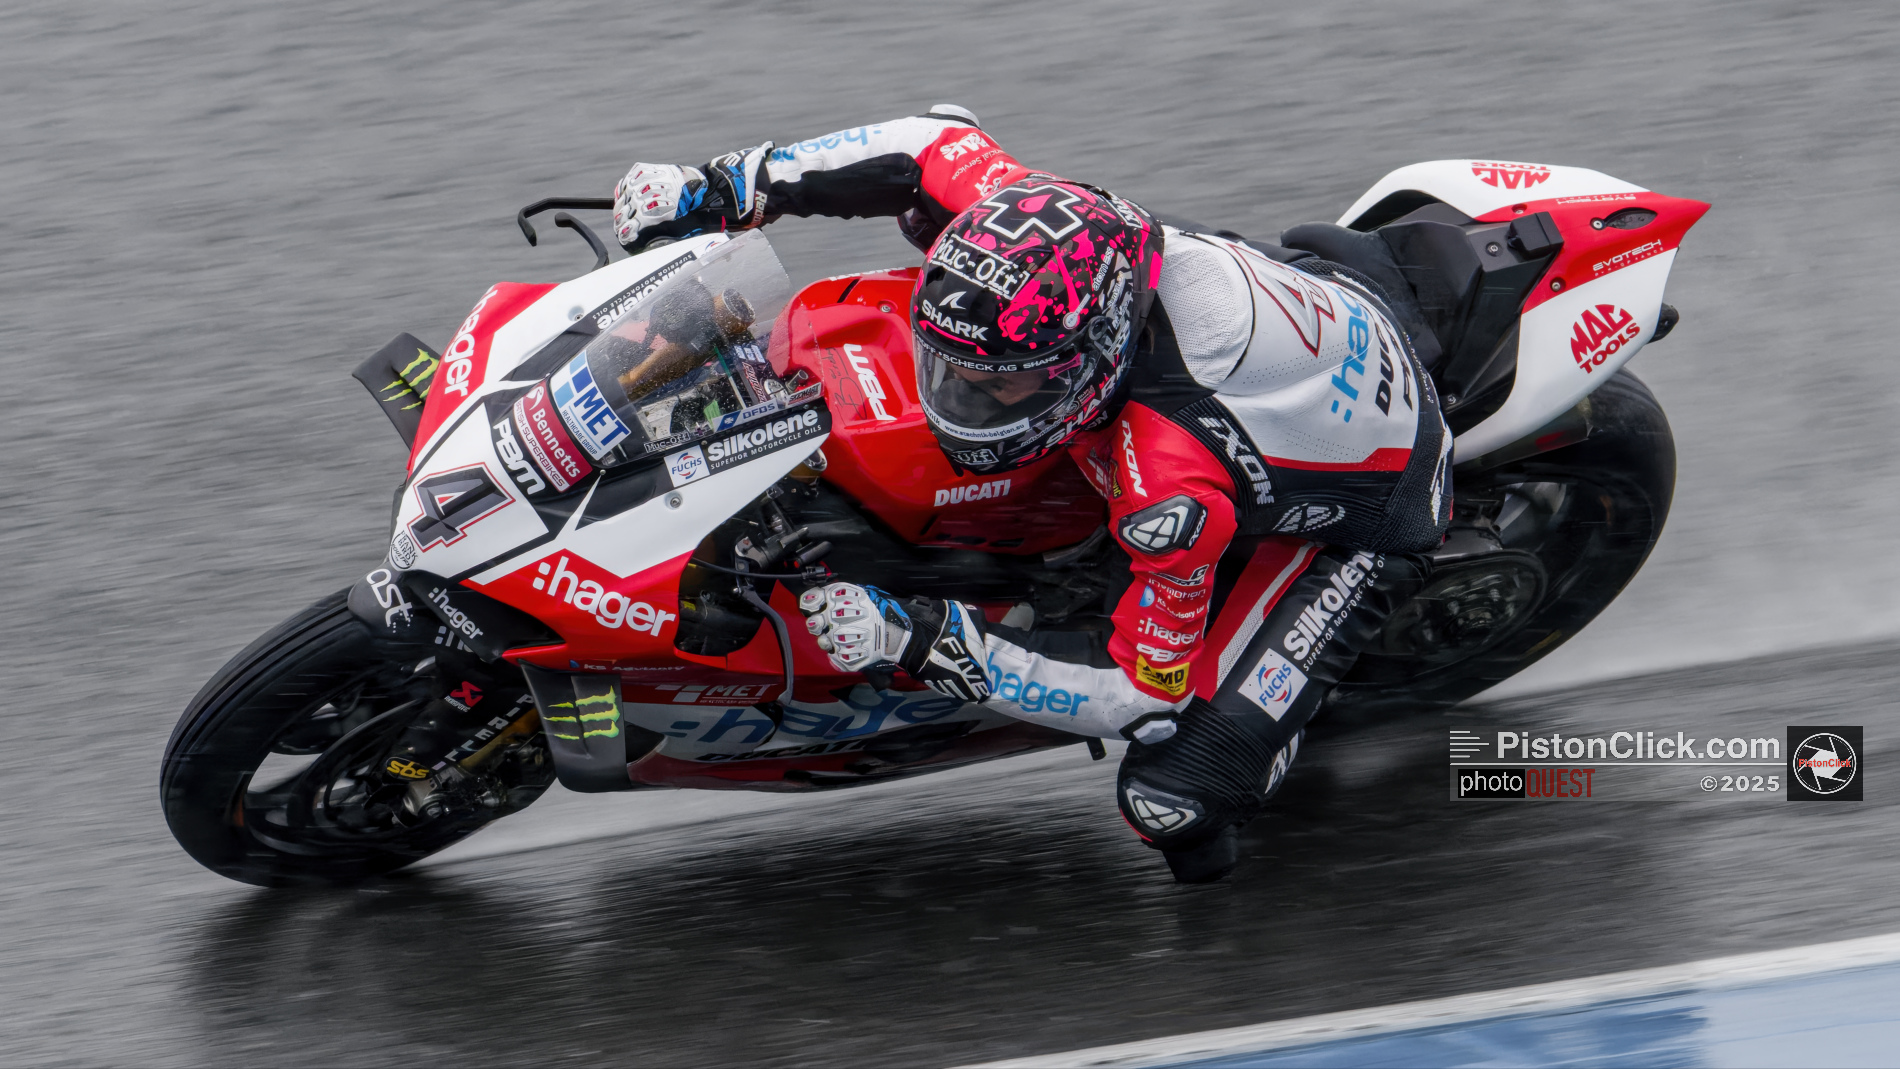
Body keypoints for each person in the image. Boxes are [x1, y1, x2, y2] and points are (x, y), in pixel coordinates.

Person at [611, 106, 1451, 882]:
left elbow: (1143, 692)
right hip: (1282, 305)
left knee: (1172, 796)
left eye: (996, 385)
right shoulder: (1037, 222)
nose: (958, 395)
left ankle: (1261, 749)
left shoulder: (1169, 482)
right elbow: (928, 141)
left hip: (1363, 517)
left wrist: (916, 639)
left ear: (1095, 357)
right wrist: (723, 186)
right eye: (950, 368)